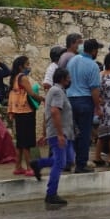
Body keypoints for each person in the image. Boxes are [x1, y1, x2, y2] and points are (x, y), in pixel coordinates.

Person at [30, 67, 74, 209]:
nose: (70, 80)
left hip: (58, 132)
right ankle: (51, 194)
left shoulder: (56, 91)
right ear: (62, 79)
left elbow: (47, 113)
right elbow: (55, 112)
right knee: (60, 163)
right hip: (58, 133)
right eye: (68, 78)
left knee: (65, 160)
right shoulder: (57, 92)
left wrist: (44, 133)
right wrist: (60, 134)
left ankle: (39, 164)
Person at [66, 38, 103, 173]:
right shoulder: (92, 65)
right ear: (93, 51)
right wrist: (98, 107)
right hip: (85, 100)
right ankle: (81, 165)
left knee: (74, 133)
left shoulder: (73, 61)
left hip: (70, 99)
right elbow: (94, 89)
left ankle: (72, 161)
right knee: (84, 134)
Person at [7, 55, 38, 176]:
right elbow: (31, 93)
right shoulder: (23, 77)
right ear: (21, 67)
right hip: (26, 111)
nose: (29, 67)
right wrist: (42, 98)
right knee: (27, 142)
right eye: (27, 64)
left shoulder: (15, 78)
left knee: (21, 142)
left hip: (18, 111)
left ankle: (18, 166)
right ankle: (30, 167)